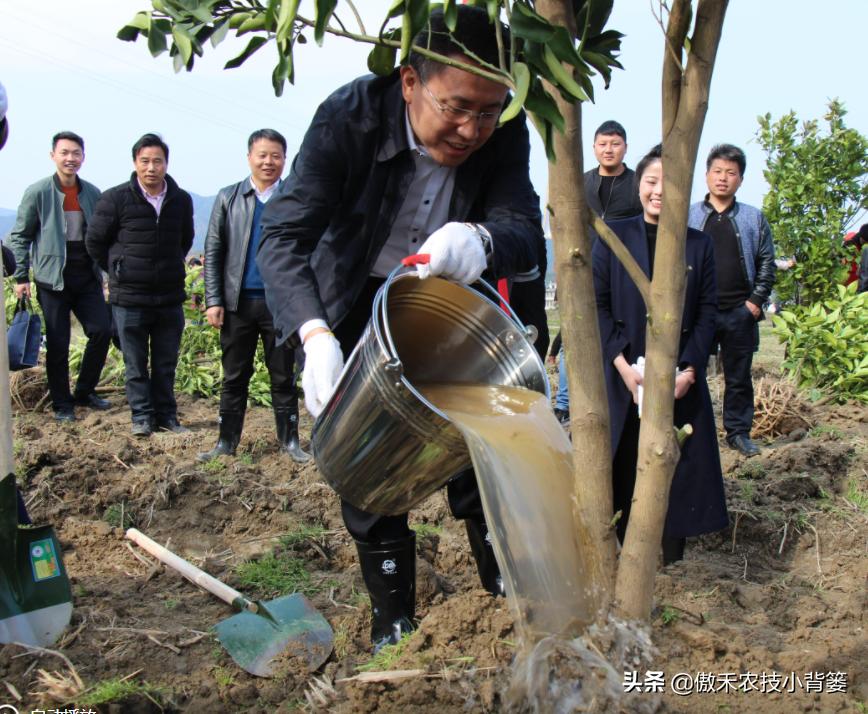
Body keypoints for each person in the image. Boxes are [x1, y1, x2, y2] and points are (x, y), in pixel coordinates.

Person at [257, 6, 542, 650]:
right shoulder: (351, 118)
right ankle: (395, 622)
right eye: (457, 107)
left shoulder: (505, 129)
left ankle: (505, 594)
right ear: (410, 82)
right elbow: (283, 235)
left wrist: (482, 238)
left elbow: (528, 234)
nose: (472, 130)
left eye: (488, 111)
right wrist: (315, 335)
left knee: (480, 447)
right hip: (357, 296)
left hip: (444, 295)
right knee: (372, 461)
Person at [593, 144, 727, 564]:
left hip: (678, 376)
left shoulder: (698, 244)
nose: (659, 191)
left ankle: (669, 555)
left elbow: (708, 312)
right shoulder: (613, 236)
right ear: (639, 186)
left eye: (670, 185)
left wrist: (689, 370)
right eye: (651, 182)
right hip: (624, 374)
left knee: (677, 464)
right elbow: (596, 304)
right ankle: (618, 549)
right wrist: (620, 364)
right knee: (622, 459)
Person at [199, 129, 311, 463]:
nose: (268, 162)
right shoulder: (228, 198)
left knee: (283, 377)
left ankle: (290, 442)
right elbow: (214, 250)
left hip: (281, 303)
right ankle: (225, 442)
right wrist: (213, 300)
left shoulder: (294, 197)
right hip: (238, 303)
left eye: (275, 155)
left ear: (284, 159)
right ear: (249, 157)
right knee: (235, 376)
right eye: (262, 155)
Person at [85, 134, 194, 437]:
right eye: (145, 161)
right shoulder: (115, 198)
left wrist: (169, 265)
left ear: (166, 164)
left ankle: (167, 416)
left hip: (169, 296)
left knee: (165, 362)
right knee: (135, 363)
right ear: (135, 163)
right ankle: (142, 417)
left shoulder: (180, 199)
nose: (151, 168)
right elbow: (95, 241)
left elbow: (184, 240)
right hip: (129, 297)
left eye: (157, 161)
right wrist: (117, 270)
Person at [9, 131, 111, 421]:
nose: (70, 158)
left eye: (76, 153)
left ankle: (85, 391)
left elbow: (102, 236)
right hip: (51, 280)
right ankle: (61, 404)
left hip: (86, 276)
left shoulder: (92, 193)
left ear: (83, 157)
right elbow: (20, 236)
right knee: (57, 342)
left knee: (102, 330)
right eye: (64, 153)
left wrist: (107, 272)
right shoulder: (38, 192)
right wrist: (20, 277)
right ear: (53, 155)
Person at [553, 120, 645, 424]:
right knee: (572, 338)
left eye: (615, 144)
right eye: (603, 144)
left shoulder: (636, 185)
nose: (609, 149)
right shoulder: (581, 183)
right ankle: (565, 403)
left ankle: (621, 395)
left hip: (622, 275)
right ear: (593, 148)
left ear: (625, 148)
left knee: (616, 335)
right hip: (582, 271)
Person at [688, 144, 776, 457]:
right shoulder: (691, 215)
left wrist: (755, 302)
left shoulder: (754, 217)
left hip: (740, 311)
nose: (723, 178)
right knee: (690, 371)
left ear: (740, 179)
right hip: (699, 311)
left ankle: (738, 433)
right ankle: (693, 433)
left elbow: (767, 261)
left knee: (738, 378)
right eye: (718, 171)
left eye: (731, 173)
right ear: (707, 175)